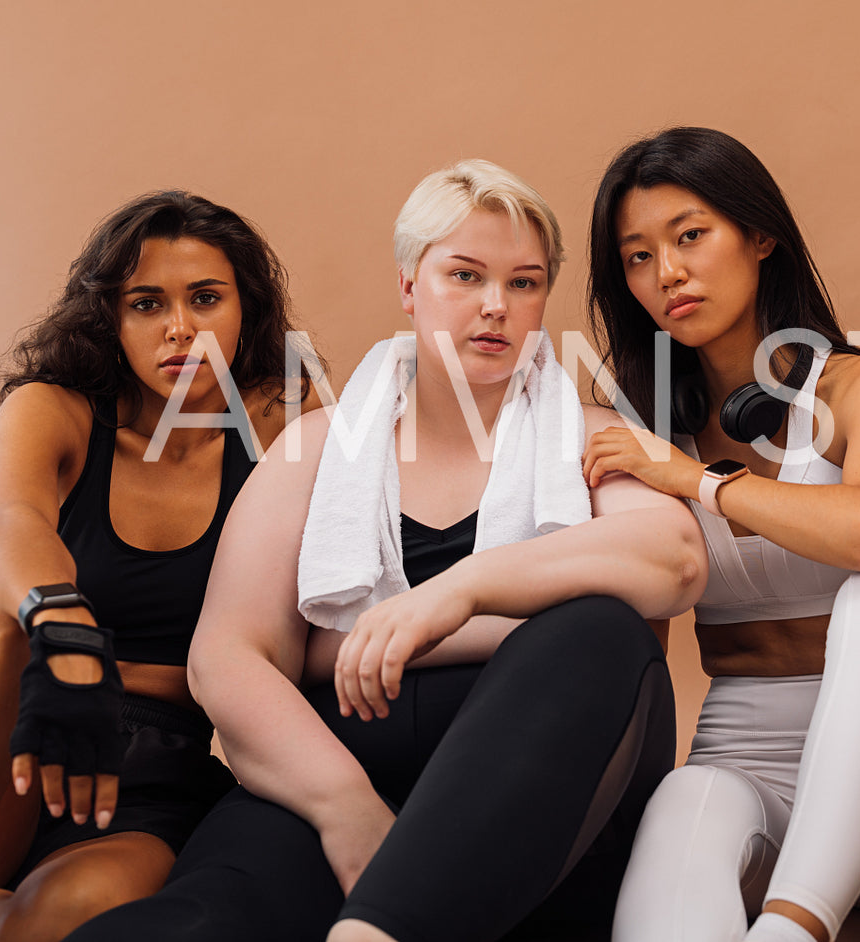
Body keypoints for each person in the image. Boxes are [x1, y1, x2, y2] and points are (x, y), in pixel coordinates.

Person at [63, 159, 708, 942]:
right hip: (333, 774)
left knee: (598, 630)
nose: (495, 307)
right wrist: (347, 809)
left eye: (524, 283)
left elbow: (672, 558)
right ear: (410, 286)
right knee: (192, 925)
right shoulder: (315, 449)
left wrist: (452, 594)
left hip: (538, 803)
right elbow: (226, 659)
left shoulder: (592, 434)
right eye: (464, 276)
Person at [582, 127, 860, 942]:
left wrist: (694, 481)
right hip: (745, 766)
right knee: (683, 801)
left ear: (760, 234)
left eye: (689, 236)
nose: (666, 273)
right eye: (636, 257)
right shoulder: (639, 426)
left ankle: (790, 928)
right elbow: (628, 637)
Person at [0, 190, 316, 941]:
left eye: (206, 298)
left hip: (142, 781)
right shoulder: (58, 410)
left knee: (61, 913)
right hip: (16, 710)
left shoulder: (283, 429)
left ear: (247, 309)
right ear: (111, 317)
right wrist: (64, 628)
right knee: (10, 628)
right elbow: (13, 519)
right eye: (146, 303)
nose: (180, 329)